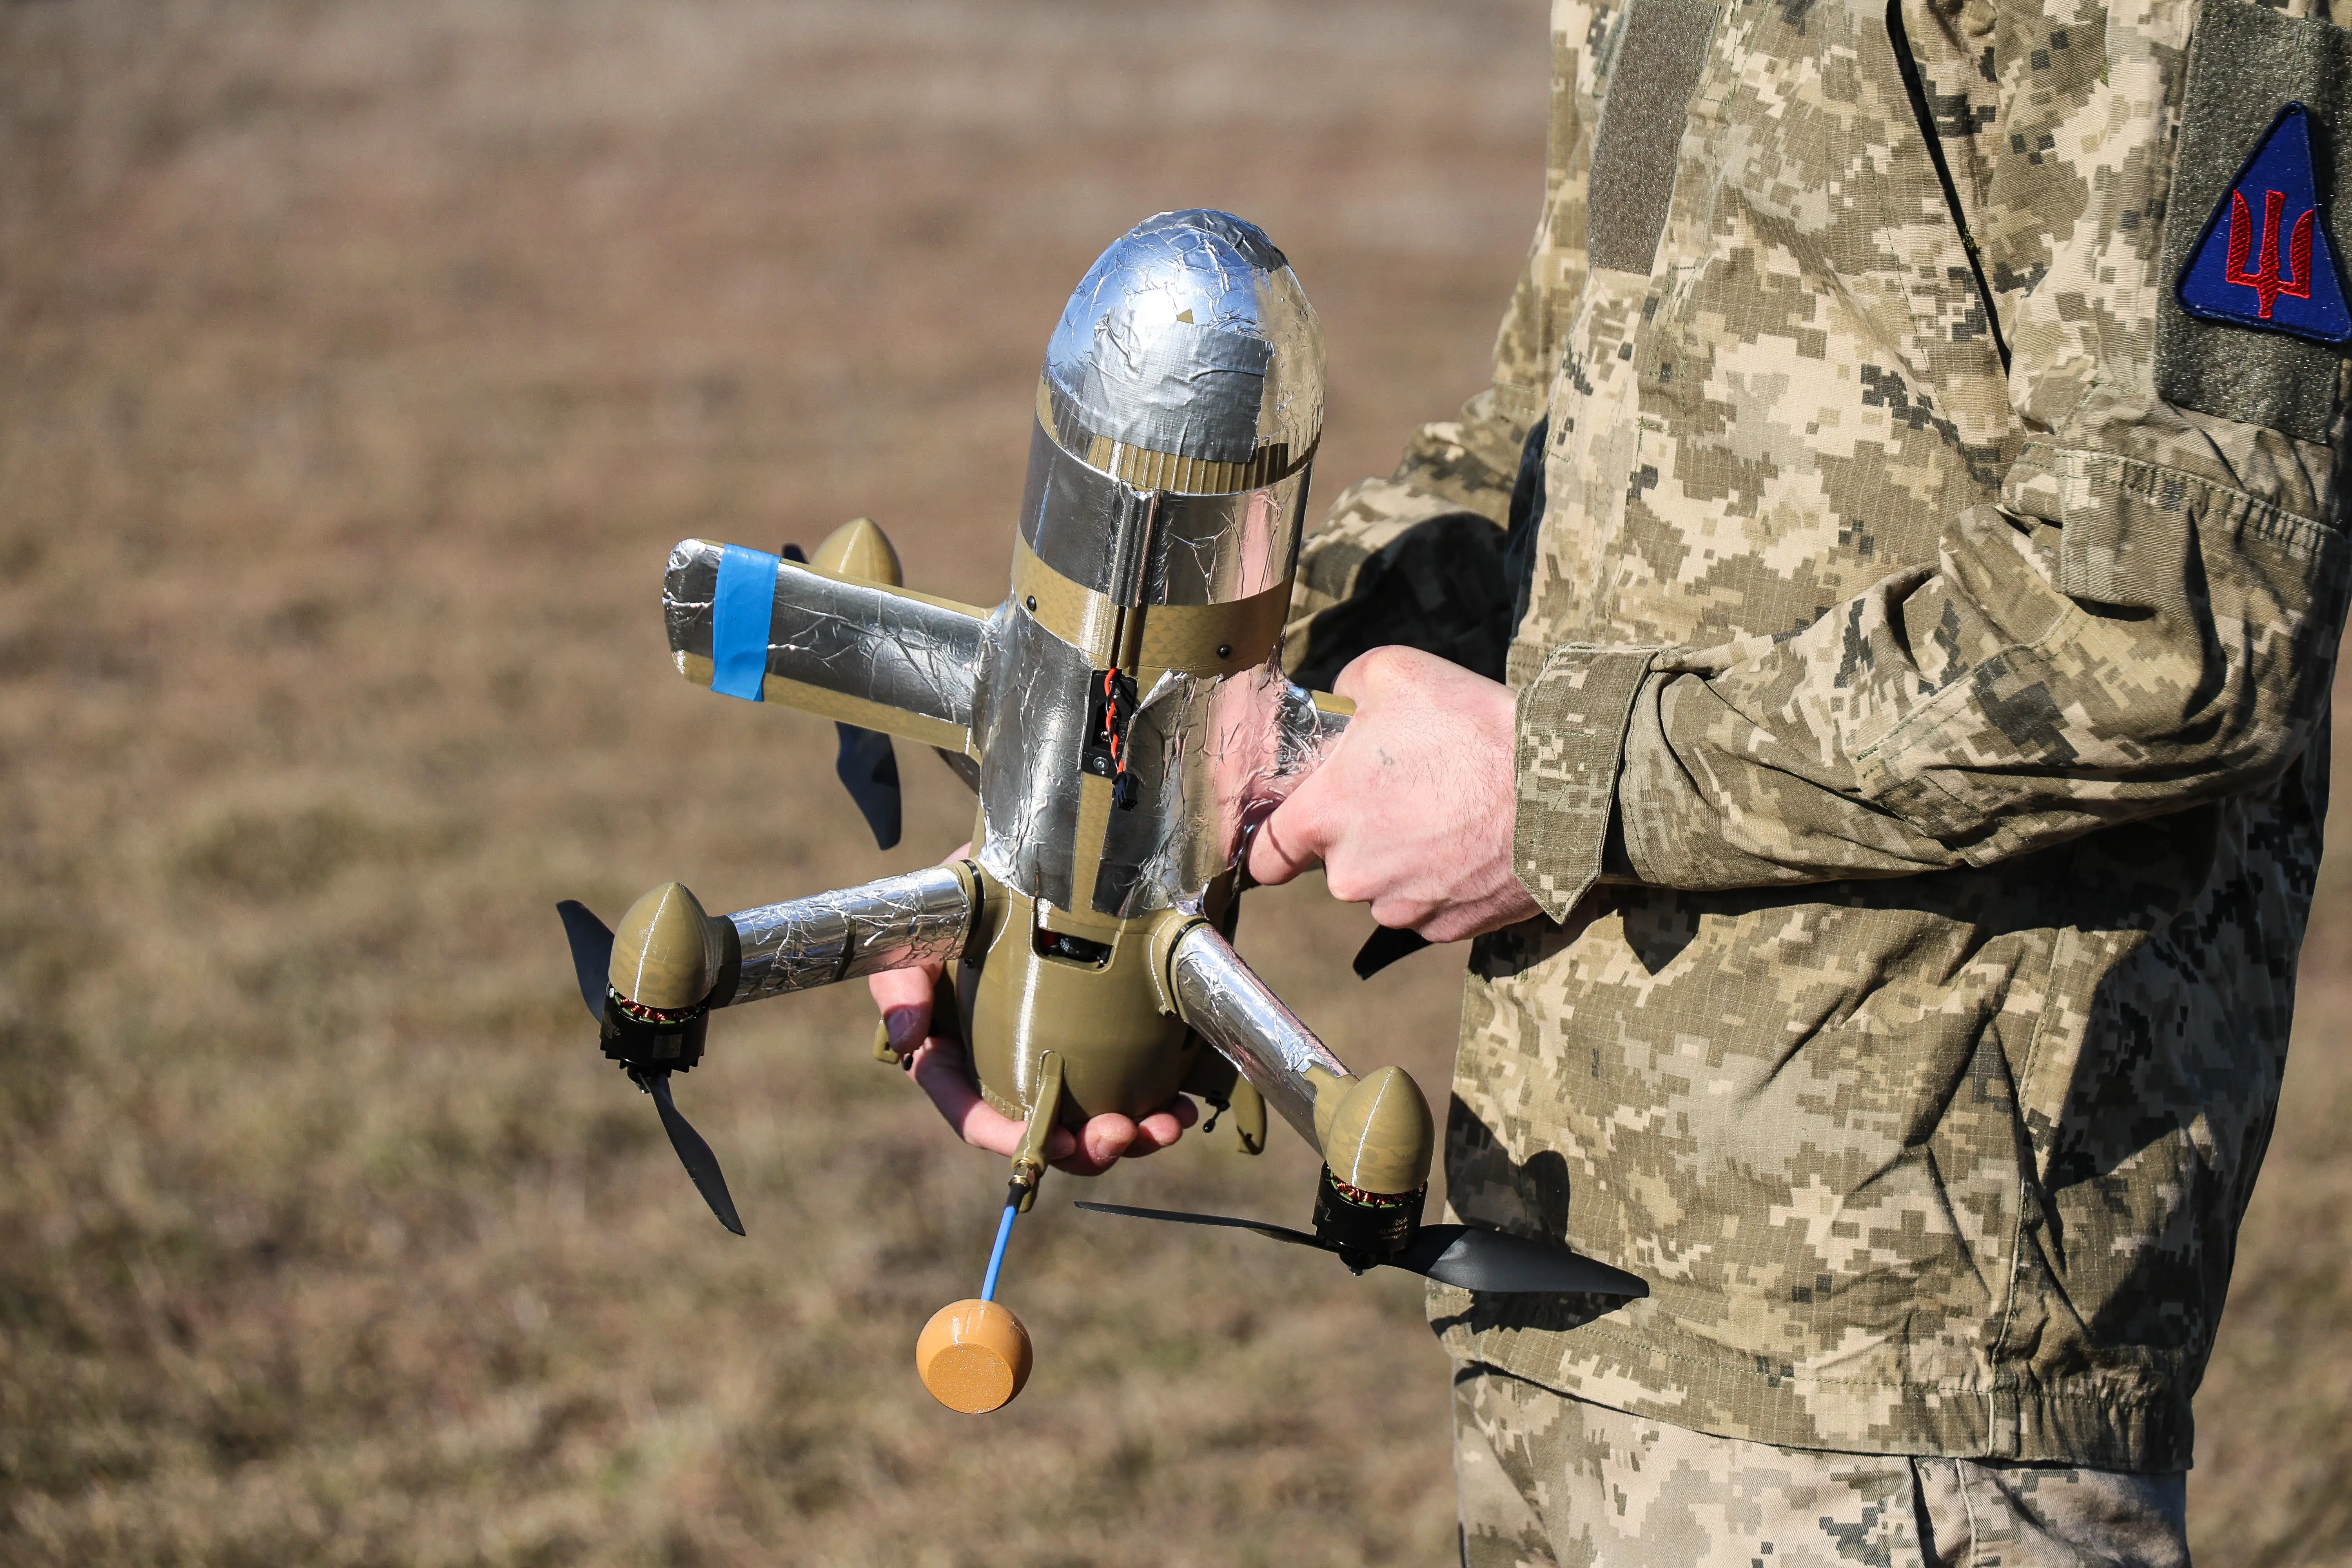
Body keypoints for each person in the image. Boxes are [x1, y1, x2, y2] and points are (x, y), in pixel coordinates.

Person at [875, 0, 2352, 1557]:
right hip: (1563, 1300)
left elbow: (2179, 613)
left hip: (1900, 1367)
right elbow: (1546, 460)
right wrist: (1121, 807)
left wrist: (1560, 783)